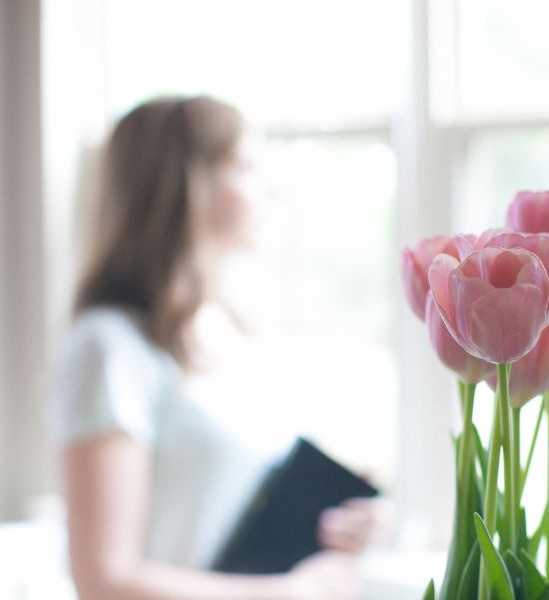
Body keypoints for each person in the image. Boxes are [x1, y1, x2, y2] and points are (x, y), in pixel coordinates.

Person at [48, 96, 382, 600]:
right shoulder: (108, 347)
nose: (271, 189)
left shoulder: (230, 335)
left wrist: (339, 524)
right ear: (187, 186)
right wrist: (289, 593)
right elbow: (104, 581)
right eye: (247, 168)